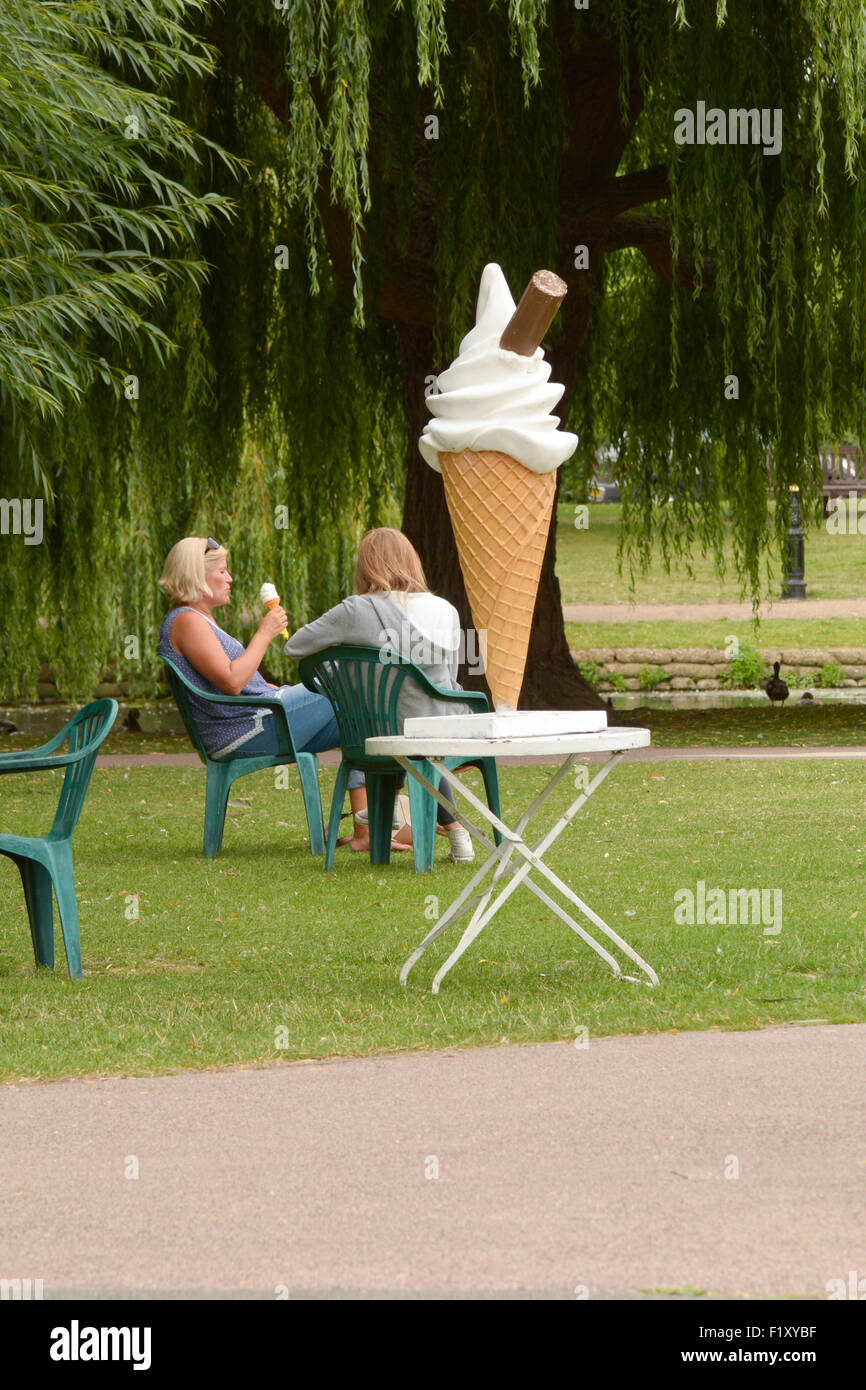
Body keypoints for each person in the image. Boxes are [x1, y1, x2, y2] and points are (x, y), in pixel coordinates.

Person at [156, 536, 382, 843]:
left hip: (261, 720)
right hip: (247, 730)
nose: (230, 578)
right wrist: (265, 632)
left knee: (361, 722)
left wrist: (268, 686)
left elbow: (235, 682)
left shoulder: (198, 619)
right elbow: (232, 681)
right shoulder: (186, 621)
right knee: (350, 678)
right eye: (222, 571)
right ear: (196, 574)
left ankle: (365, 832)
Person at [285, 528, 475, 861]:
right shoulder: (446, 609)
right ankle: (456, 834)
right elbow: (449, 679)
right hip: (439, 727)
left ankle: (386, 810)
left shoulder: (356, 610)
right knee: (415, 728)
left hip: (377, 733)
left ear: (366, 567)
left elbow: (295, 645)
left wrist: (348, 649)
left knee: (381, 708)